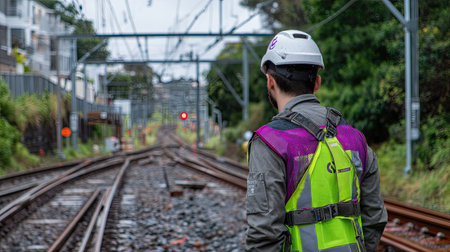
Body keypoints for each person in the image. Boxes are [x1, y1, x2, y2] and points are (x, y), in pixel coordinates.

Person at [245, 30, 387, 252]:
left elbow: (264, 232)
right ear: (317, 82)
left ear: (270, 81)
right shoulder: (354, 137)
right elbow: (375, 217)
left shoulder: (271, 141)